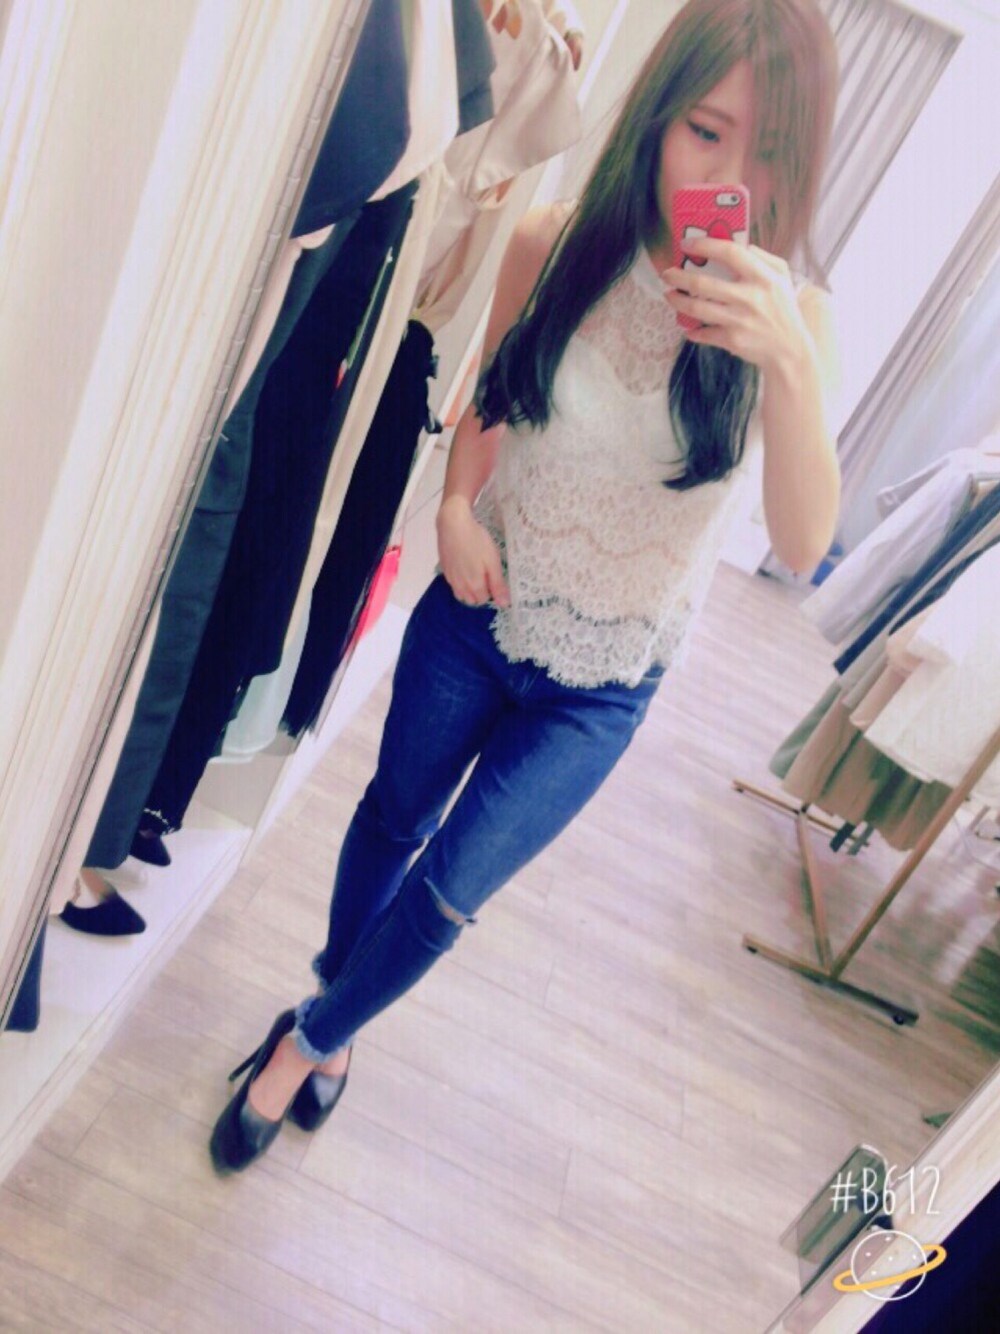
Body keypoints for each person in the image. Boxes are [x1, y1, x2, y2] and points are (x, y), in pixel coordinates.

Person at [210, 0, 841, 1174]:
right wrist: (455, 507)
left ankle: (308, 1037)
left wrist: (792, 368)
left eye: (767, 151)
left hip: (603, 683)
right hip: (474, 611)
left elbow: (805, 544)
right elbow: (492, 400)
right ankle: (339, 1012)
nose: (729, 179)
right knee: (392, 817)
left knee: (450, 890)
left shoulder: (792, 327)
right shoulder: (550, 244)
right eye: (706, 132)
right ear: (657, 118)